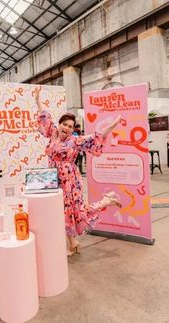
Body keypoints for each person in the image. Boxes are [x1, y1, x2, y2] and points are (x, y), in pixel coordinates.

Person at [34, 87, 122, 256]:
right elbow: (45, 115)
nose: (66, 128)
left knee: (76, 211)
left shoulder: (75, 141)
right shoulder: (52, 133)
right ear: (59, 124)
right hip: (53, 179)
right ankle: (73, 242)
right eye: (64, 124)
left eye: (70, 126)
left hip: (70, 181)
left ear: (73, 128)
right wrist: (37, 100)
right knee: (63, 213)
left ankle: (106, 201)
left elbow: (96, 136)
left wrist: (112, 126)